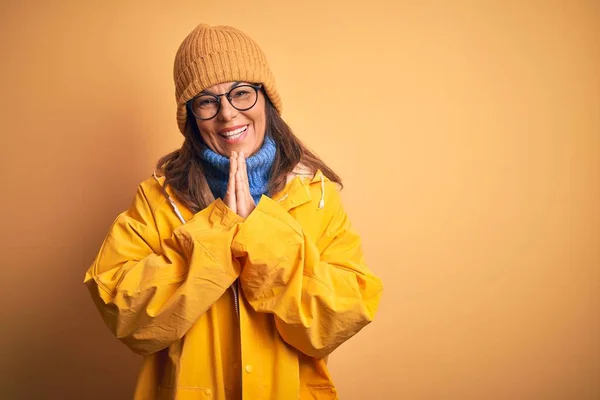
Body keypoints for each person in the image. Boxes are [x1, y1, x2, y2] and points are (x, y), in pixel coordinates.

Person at [84, 23, 383, 400]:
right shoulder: (157, 199)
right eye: (207, 101)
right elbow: (128, 318)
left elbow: (337, 319)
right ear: (191, 115)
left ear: (265, 100)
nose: (227, 114)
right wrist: (218, 228)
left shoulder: (316, 195)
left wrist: (259, 233)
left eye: (241, 93)